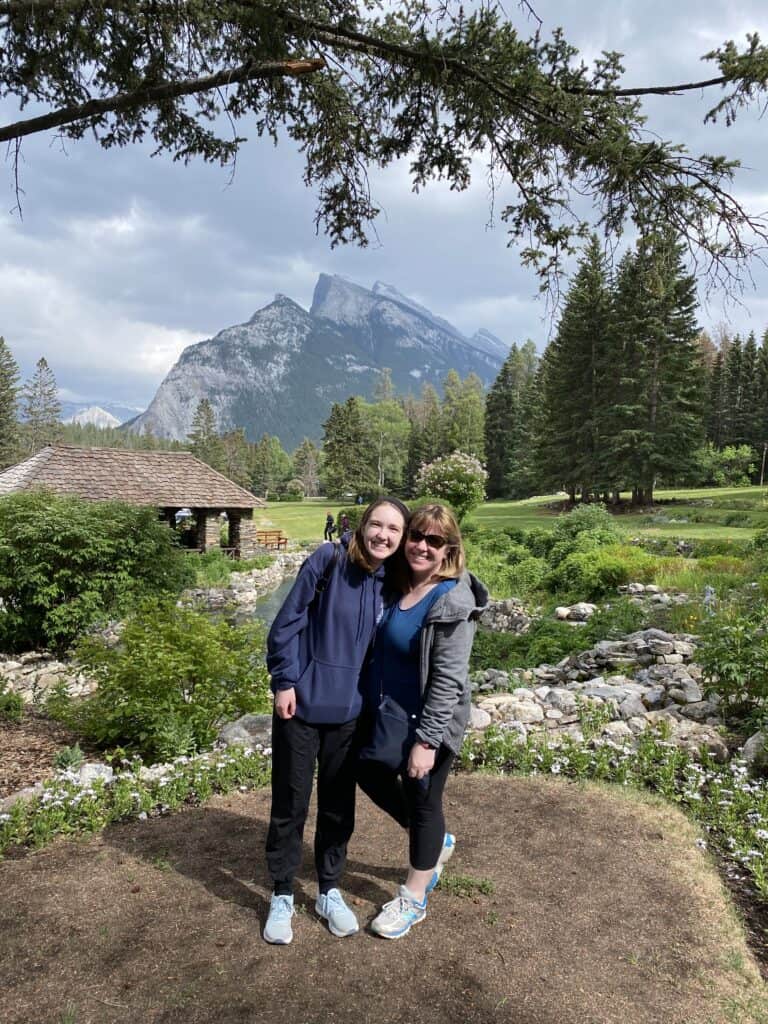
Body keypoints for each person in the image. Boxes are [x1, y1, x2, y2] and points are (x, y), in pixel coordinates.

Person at [263, 497, 410, 945]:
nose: (384, 535)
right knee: (291, 801)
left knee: (337, 805)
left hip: (349, 713)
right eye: (378, 525)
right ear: (362, 525)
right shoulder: (327, 560)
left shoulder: (392, 581)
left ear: (401, 539)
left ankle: (329, 888)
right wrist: (284, 681)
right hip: (301, 706)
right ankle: (283, 893)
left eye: (394, 530)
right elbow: (285, 625)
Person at [357, 503, 488, 939]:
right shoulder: (398, 584)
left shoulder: (451, 600)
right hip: (394, 713)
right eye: (417, 535)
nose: (422, 546)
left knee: (424, 799)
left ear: (449, 549)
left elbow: (448, 679)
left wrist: (427, 742)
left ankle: (414, 897)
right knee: (370, 772)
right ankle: (434, 844)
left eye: (435, 541)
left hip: (433, 722)